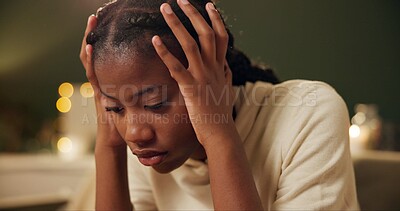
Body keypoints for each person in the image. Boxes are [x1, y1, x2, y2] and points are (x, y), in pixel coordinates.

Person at [79, 0, 359, 210]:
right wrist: (109, 144)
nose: (134, 134)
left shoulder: (308, 114)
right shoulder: (147, 150)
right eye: (116, 109)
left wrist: (216, 131)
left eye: (155, 104)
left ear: (216, 72)